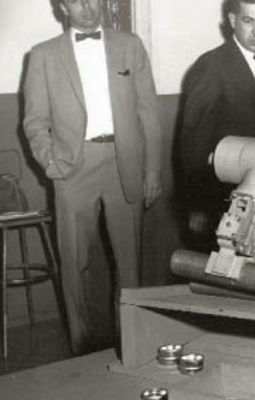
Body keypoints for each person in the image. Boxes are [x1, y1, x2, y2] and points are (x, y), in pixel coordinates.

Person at [23, 0, 162, 354]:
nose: (86, 7)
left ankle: (132, 346)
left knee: (130, 264)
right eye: (75, 0)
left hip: (124, 163)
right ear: (61, 7)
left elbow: (148, 111)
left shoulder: (130, 45)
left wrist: (152, 169)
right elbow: (35, 122)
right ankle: (81, 348)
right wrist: (50, 162)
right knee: (74, 265)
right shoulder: (42, 55)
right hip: (73, 168)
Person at [179, 0, 255, 250]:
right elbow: (194, 147)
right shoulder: (210, 66)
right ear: (232, 20)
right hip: (227, 198)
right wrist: (199, 206)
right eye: (248, 21)